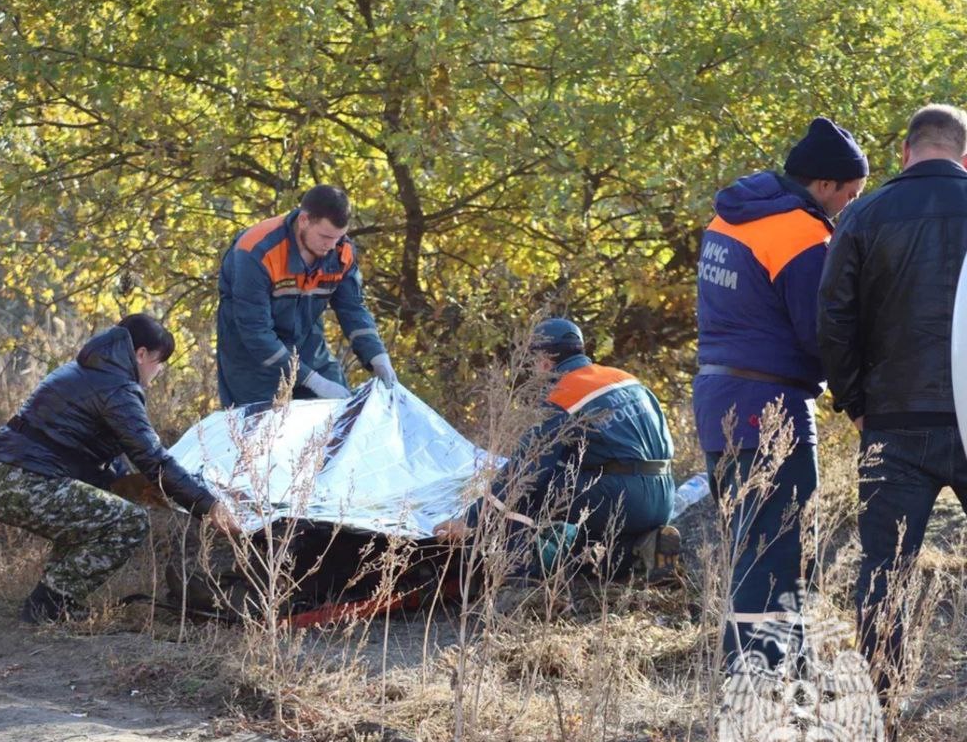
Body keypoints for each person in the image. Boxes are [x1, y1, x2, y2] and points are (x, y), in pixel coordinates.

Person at [694, 117, 868, 674]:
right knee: (778, 548)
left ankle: (752, 665)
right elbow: (822, 332)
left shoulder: (730, 216)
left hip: (715, 398)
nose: (846, 207)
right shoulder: (801, 233)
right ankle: (765, 675)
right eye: (849, 194)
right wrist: (858, 399)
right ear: (825, 184)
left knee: (748, 546)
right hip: (771, 407)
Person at [819, 104, 967, 697]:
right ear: (963, 153)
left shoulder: (864, 215)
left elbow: (834, 320)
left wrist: (855, 402)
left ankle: (883, 700)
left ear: (904, 153)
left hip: (893, 419)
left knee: (885, 568)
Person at [0, 314, 241, 623]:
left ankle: (54, 601)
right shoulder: (117, 388)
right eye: (159, 361)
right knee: (128, 522)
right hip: (22, 481)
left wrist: (141, 486)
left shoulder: (90, 371)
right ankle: (50, 604)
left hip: (2, 476)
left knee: (99, 513)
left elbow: (97, 451)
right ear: (141, 354)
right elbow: (153, 459)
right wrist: (209, 507)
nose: (160, 370)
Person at [436, 319, 676, 578]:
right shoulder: (626, 379)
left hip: (624, 498)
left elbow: (525, 471)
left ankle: (520, 578)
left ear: (545, 360)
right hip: (662, 496)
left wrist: (470, 521)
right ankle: (640, 549)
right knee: (574, 495)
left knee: (535, 489)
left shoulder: (564, 394)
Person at [215, 185, 396, 407]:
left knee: (338, 417)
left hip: (308, 346)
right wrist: (312, 381)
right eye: (325, 236)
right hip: (252, 360)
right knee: (261, 433)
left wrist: (377, 357)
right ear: (304, 220)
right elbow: (255, 331)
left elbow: (353, 308)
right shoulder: (255, 251)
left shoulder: (342, 252)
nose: (331, 246)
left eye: (338, 238)